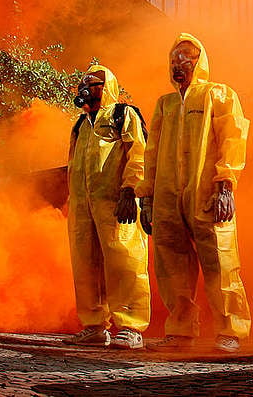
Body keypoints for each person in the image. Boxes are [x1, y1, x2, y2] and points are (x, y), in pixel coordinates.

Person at [137, 34, 252, 354]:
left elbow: (233, 137)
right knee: (171, 264)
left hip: (207, 193)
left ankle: (230, 329)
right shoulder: (166, 104)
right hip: (167, 196)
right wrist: (147, 197)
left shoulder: (219, 94)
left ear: (200, 61)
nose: (180, 62)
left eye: (187, 56)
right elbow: (152, 151)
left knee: (220, 259)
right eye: (175, 57)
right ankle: (180, 331)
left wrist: (226, 183)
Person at [63, 63, 151, 350]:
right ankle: (94, 325)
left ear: (108, 86)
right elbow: (74, 166)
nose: (87, 87)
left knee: (124, 261)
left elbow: (138, 153)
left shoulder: (122, 114)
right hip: (84, 206)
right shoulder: (80, 124)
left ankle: (131, 326)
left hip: (116, 202)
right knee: (86, 264)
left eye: (95, 82)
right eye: (84, 82)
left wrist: (130, 190)